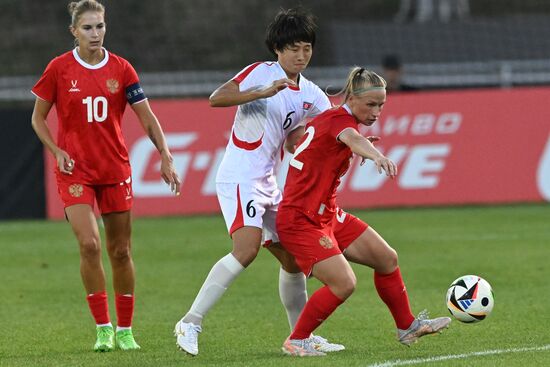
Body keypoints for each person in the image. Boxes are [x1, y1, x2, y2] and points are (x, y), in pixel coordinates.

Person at [174, 7, 343, 356]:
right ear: (278, 49)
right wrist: (261, 93)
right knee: (246, 250)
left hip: (268, 182)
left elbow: (330, 127)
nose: (301, 55)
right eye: (294, 48)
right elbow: (216, 98)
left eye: (307, 48)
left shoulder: (310, 92)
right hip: (240, 177)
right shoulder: (260, 73)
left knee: (294, 259)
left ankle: (300, 336)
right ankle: (190, 321)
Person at [31, 0, 181, 352]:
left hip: (114, 169)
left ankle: (126, 329)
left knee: (120, 250)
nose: (95, 33)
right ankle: (103, 327)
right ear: (74, 31)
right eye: (87, 28)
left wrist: (165, 154)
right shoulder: (59, 69)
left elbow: (146, 116)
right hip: (75, 170)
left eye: (99, 26)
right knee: (89, 244)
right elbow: (38, 118)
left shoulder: (122, 69)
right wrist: (57, 150)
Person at [276, 67, 451, 357]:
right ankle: (298, 339)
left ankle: (406, 326)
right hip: (300, 219)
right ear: (351, 99)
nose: (376, 111)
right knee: (343, 283)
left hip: (327, 214)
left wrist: (358, 147)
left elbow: (338, 142)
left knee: (386, 258)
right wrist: (376, 155)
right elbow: (350, 137)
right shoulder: (340, 121)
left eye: (381, 105)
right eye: (370, 104)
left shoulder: (339, 122)